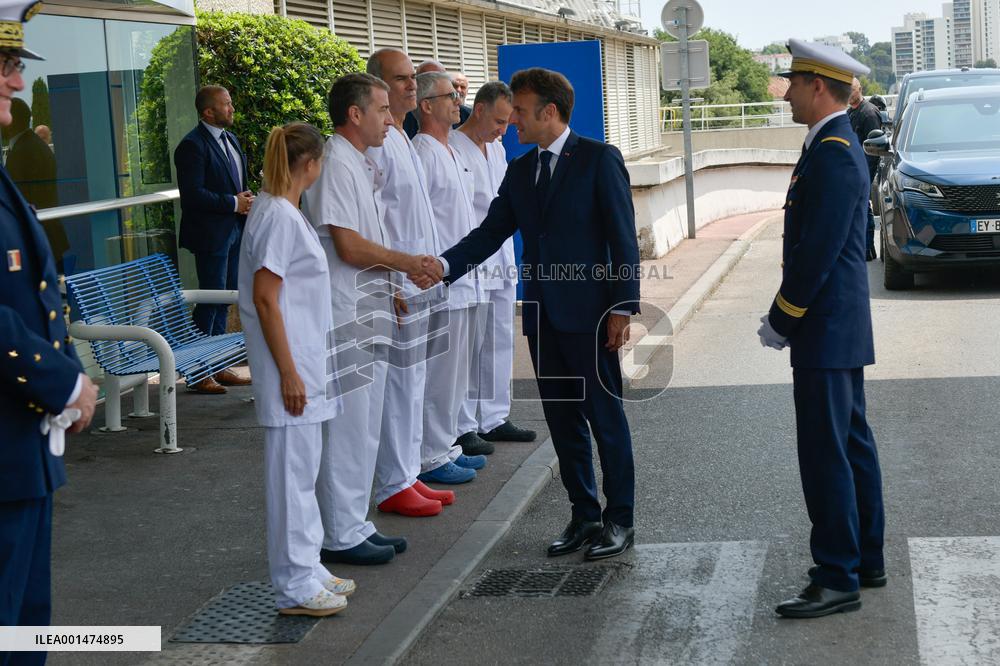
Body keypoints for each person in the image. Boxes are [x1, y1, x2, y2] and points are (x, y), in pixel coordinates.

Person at [414, 67, 641, 561]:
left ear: (550, 112)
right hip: (543, 316)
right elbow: (489, 232)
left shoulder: (600, 160)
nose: (511, 118)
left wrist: (623, 308)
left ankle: (619, 519)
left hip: (593, 317)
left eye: (519, 110)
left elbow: (624, 239)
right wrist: (443, 265)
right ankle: (584, 515)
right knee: (562, 421)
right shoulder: (520, 170)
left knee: (604, 418)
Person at [758, 38, 885, 619]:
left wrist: (784, 316)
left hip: (824, 328)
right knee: (850, 442)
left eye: (791, 83)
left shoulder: (832, 150)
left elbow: (818, 252)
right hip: (835, 327)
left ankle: (836, 574)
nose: (785, 93)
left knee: (826, 451)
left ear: (816, 86)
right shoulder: (832, 144)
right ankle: (865, 559)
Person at [0, 6, 98, 661]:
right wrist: (65, 381)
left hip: (21, 450)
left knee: (28, 628)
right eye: (6, 66)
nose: (15, 80)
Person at [302, 72, 428, 564]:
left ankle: (354, 522)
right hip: (346, 310)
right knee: (350, 424)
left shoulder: (358, 160)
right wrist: (406, 265)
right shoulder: (335, 161)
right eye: (381, 110)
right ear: (354, 114)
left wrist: (392, 286)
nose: (390, 119)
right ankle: (339, 532)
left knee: (367, 421)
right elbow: (350, 246)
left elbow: (365, 236)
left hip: (368, 303)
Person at [237, 122, 354, 617]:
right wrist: (287, 372)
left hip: (305, 360)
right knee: (291, 478)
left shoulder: (284, 212)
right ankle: (293, 584)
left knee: (303, 473)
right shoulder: (277, 217)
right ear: (310, 165)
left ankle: (308, 566)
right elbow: (266, 300)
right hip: (292, 366)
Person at [365, 48, 459, 510]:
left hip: (421, 279)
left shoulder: (400, 137)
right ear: (378, 87)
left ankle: (409, 470)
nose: (409, 85)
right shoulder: (377, 145)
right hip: (399, 284)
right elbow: (373, 223)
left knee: (416, 378)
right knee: (400, 384)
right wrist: (390, 282)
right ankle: (393, 483)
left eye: (410, 78)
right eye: (400, 79)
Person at [411, 71, 491, 483]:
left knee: (458, 372)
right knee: (440, 373)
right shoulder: (422, 152)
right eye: (448, 96)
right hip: (441, 279)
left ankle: (448, 445)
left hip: (466, 276)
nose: (457, 102)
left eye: (458, 95)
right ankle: (432, 455)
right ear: (426, 106)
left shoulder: (453, 150)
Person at [450, 81, 537, 446]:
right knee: (469, 345)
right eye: (499, 121)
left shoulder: (497, 150)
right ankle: (463, 423)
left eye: (508, 122)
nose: (504, 130)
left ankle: (495, 415)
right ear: (480, 109)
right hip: (470, 256)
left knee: (500, 337)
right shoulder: (452, 148)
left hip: (501, 257)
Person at [174, 85, 254, 394]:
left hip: (235, 231)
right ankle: (197, 371)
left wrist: (245, 203)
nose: (232, 108)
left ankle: (219, 365)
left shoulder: (231, 139)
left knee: (224, 301)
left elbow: (237, 184)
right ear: (208, 112)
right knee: (209, 302)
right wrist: (233, 203)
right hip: (211, 236)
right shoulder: (192, 146)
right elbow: (192, 196)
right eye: (226, 104)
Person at [3, 98, 66, 270]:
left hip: (35, 241)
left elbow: (14, 198)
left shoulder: (24, 152)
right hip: (46, 237)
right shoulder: (33, 146)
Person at [848, 77, 880, 261]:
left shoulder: (868, 113)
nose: (849, 94)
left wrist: (865, 177)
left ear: (859, 89)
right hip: (851, 172)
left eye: (851, 89)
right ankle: (862, 250)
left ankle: (867, 250)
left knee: (864, 210)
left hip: (863, 172)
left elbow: (874, 150)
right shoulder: (849, 114)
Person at [403, 59, 471, 138]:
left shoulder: (467, 116)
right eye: (428, 79)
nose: (458, 101)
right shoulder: (404, 121)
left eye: (442, 77)